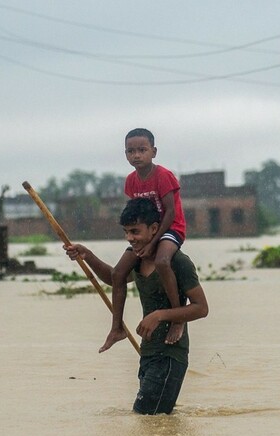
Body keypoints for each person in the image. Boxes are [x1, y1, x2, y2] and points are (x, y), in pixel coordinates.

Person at [64, 197, 208, 415]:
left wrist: (160, 315)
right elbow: (115, 279)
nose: (129, 238)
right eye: (126, 232)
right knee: (152, 420)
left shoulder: (176, 261)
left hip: (170, 355)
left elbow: (201, 308)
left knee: (146, 418)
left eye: (135, 232)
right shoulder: (137, 260)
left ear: (154, 229)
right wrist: (88, 256)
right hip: (147, 353)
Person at [101, 128, 187, 354]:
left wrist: (154, 241)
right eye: (131, 151)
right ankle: (117, 327)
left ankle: (178, 317)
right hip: (146, 234)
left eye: (142, 150)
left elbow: (169, 213)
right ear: (125, 154)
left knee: (162, 261)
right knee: (119, 273)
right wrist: (140, 240)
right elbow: (135, 212)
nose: (136, 155)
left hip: (170, 229)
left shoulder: (163, 176)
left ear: (154, 151)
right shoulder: (131, 181)